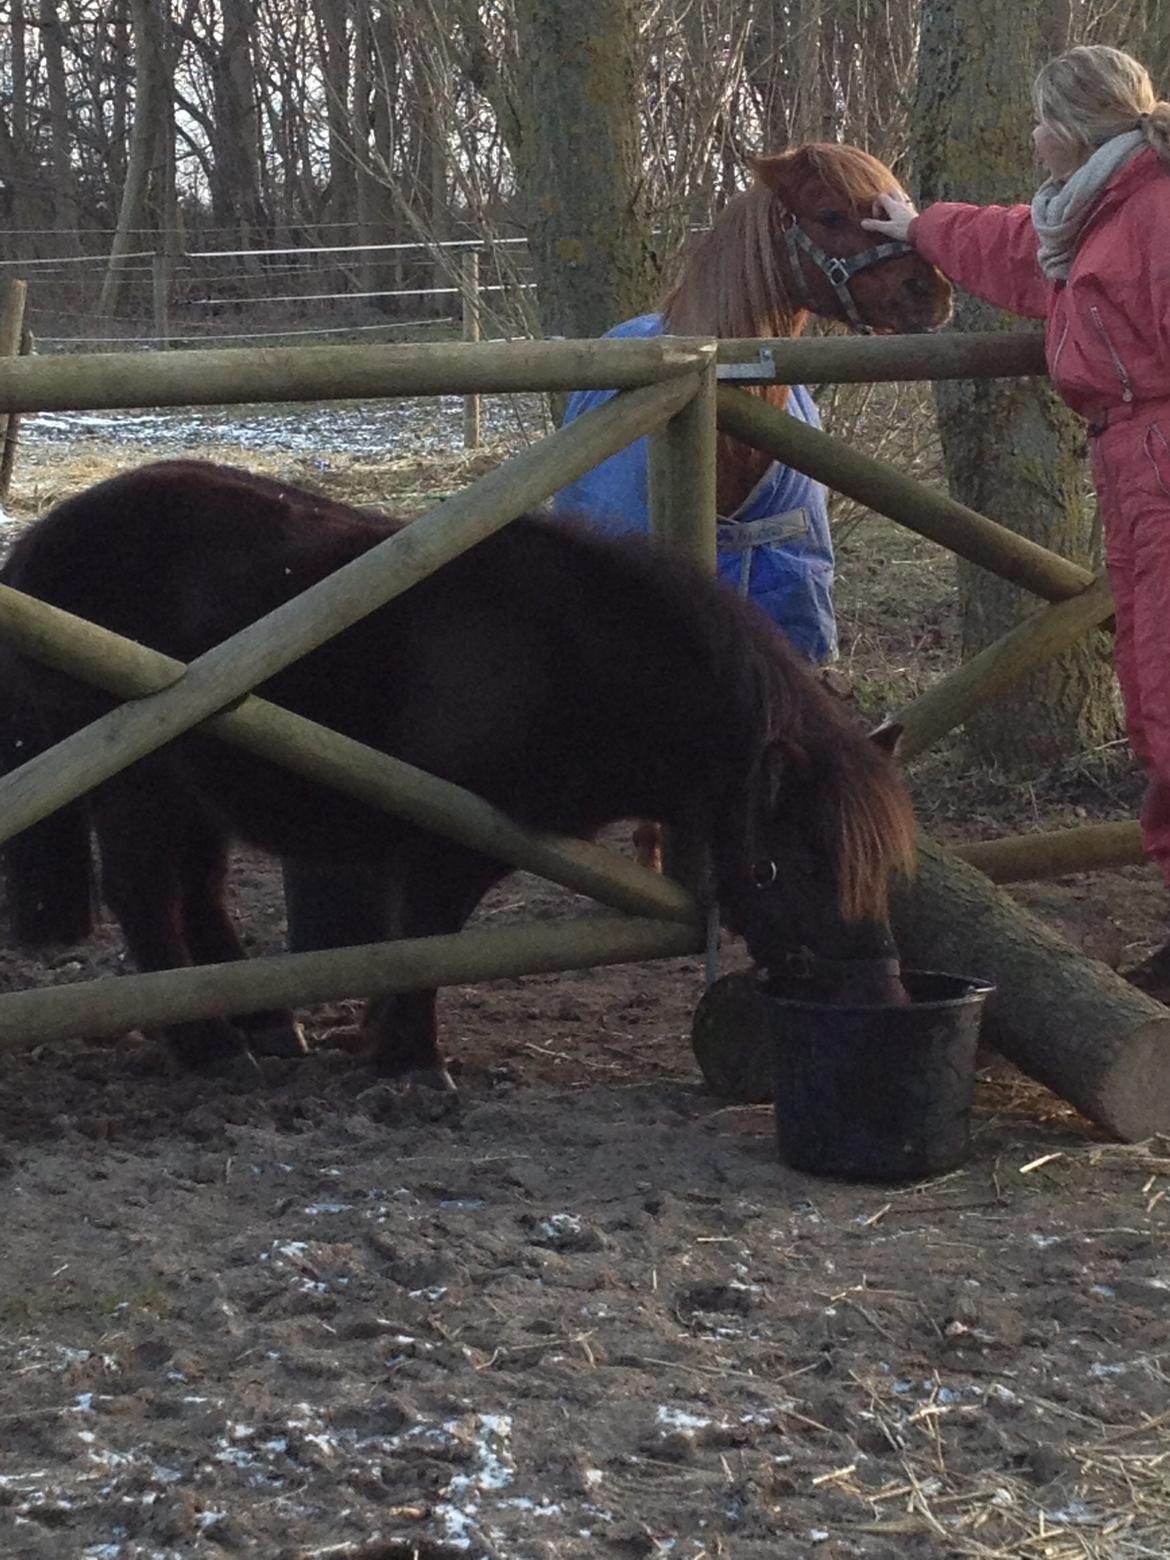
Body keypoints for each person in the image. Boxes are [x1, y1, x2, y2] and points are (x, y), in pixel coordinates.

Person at [862, 44, 1170, 997]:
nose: (1031, 140)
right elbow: (1011, 252)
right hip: (1135, 471)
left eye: (1040, 123)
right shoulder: (1090, 220)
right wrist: (920, 228)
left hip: (1160, 466)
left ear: (1066, 130)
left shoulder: (1153, 213)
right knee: (1154, 703)